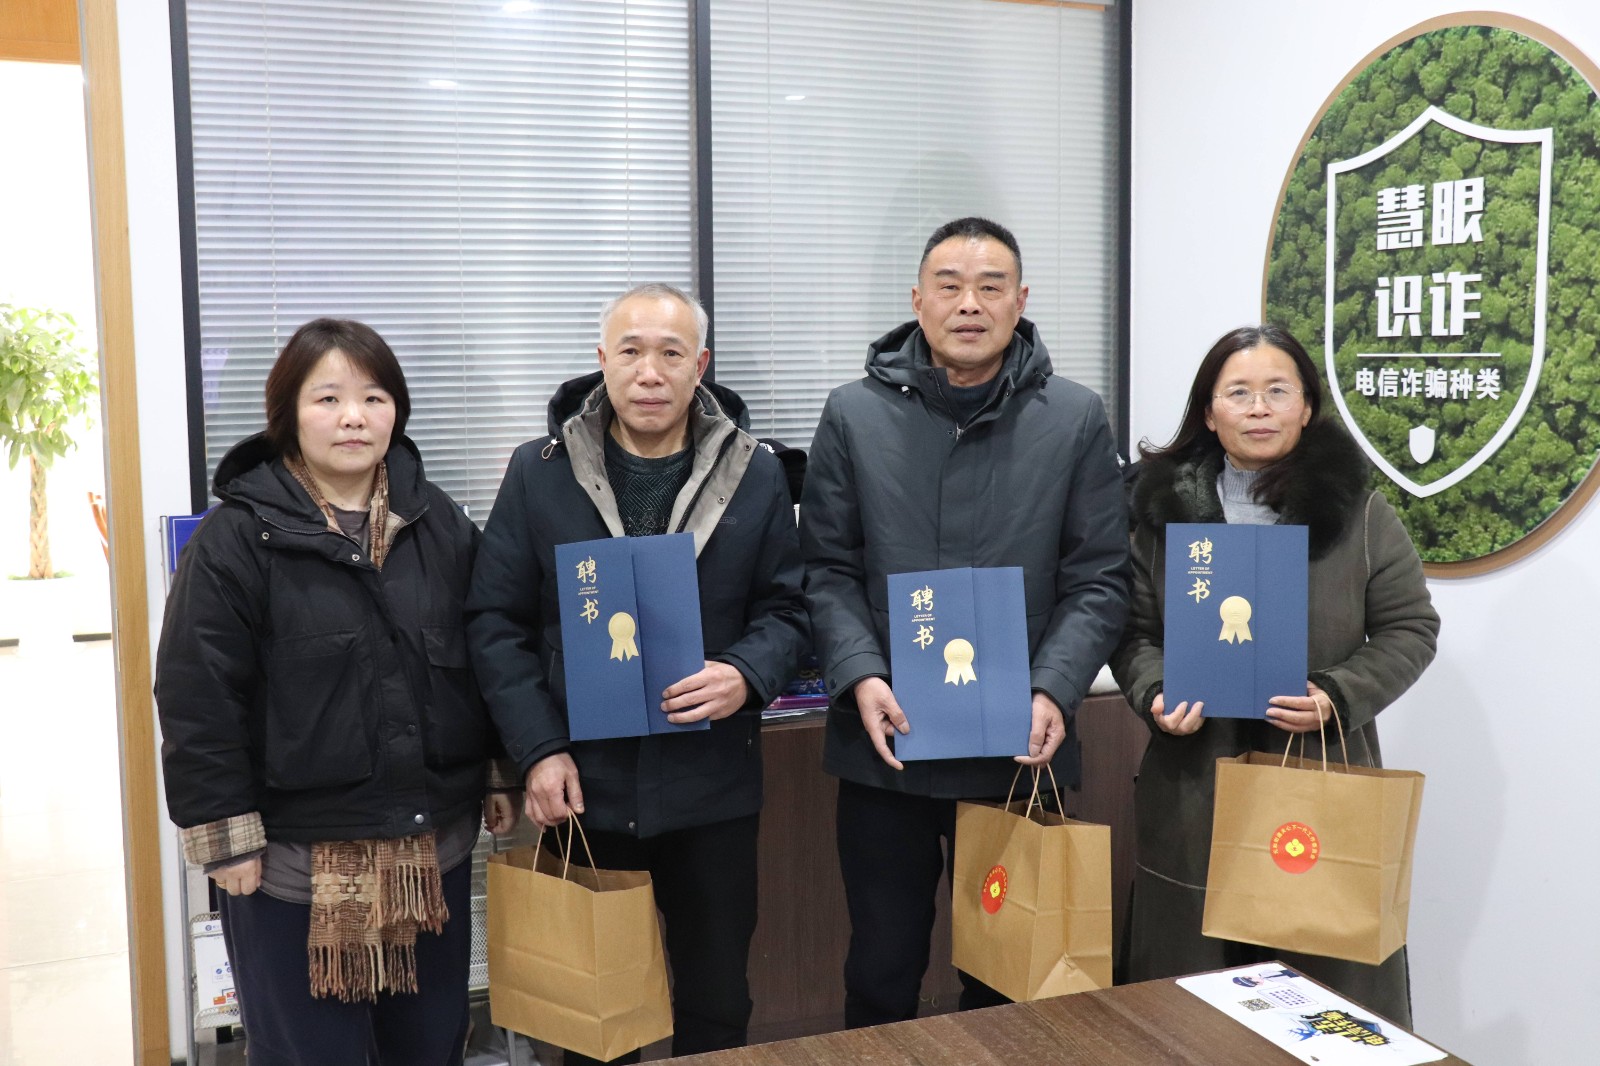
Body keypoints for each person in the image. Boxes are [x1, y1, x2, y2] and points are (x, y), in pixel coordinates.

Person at [155, 318, 516, 1066]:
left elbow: (484, 656)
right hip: (292, 868)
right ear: (287, 413)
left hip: (430, 857)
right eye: (328, 398)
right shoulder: (235, 540)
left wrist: (498, 771)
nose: (354, 416)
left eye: (374, 397)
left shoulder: (439, 523)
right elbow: (198, 692)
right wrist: (225, 835)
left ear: (396, 412)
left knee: (431, 1049)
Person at [800, 217, 1130, 1027]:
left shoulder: (1075, 417)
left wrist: (1053, 688)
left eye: (990, 287)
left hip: (1018, 746)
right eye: (949, 286)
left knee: (1013, 976)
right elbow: (826, 569)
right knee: (882, 970)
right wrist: (861, 674)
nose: (969, 304)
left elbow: (1099, 578)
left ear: (1021, 300)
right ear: (918, 301)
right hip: (889, 747)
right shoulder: (852, 414)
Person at [466, 283, 808, 1063]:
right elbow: (494, 623)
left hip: (712, 785)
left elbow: (791, 611)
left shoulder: (756, 473)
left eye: (671, 353)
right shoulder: (539, 473)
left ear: (700, 366)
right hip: (585, 785)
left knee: (717, 1004)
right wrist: (537, 751)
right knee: (594, 1018)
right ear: (602, 361)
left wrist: (745, 673)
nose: (650, 371)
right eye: (630, 351)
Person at [1109, 323, 1439, 1025]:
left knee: (1323, 997)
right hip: (1196, 777)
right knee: (1193, 1000)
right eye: (1238, 392)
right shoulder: (1162, 516)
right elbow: (1132, 633)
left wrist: (1338, 694)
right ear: (1209, 412)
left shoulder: (1360, 512)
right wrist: (1155, 691)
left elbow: (1411, 627)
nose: (1258, 408)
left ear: (1306, 407)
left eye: (1277, 391)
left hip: (1319, 771)